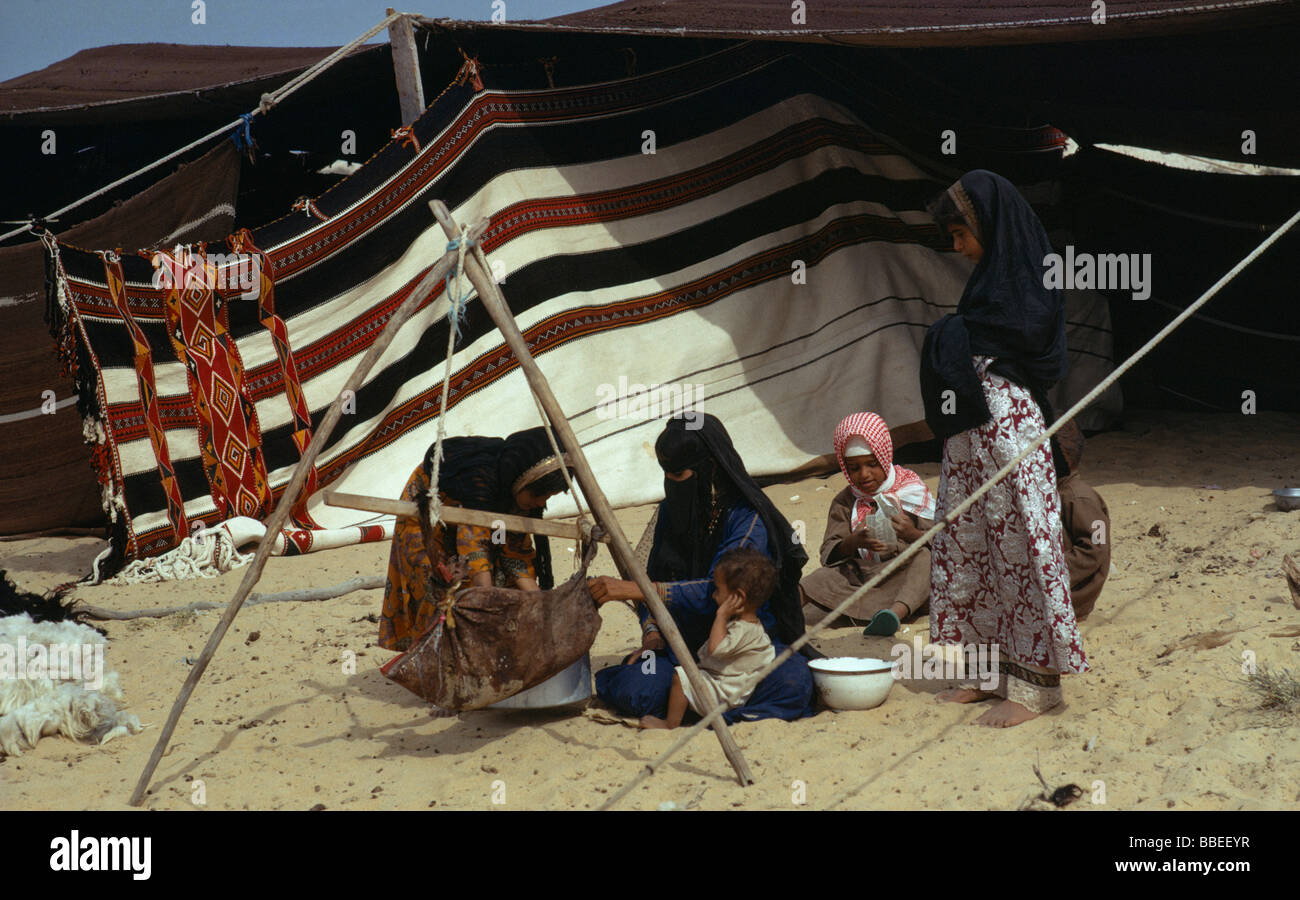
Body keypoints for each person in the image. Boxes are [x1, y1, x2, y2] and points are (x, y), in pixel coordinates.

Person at [920, 170, 1088, 727]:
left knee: (1021, 550)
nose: (957, 247)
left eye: (961, 234)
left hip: (1009, 430)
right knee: (971, 546)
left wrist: (957, 334)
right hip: (973, 432)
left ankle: (1039, 688)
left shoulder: (1027, 287)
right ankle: (985, 672)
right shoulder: (986, 285)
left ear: (989, 225)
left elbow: (1031, 349)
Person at [588, 414, 814, 722]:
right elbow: (651, 578)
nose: (670, 482)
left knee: (793, 683)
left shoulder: (747, 519)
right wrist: (652, 632)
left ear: (711, 469)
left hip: (743, 651)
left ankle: (695, 710)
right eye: (665, 473)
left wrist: (639, 589)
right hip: (681, 649)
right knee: (637, 690)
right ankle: (703, 706)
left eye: (678, 473)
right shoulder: (671, 512)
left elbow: (715, 590)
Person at [378, 427, 573, 652]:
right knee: (441, 582)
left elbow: (514, 554)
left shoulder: (514, 495)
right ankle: (439, 655)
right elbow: (474, 550)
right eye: (538, 496)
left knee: (504, 583)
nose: (541, 503)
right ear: (522, 482)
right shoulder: (482, 484)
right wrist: (486, 608)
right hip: (427, 515)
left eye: (547, 498)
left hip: (468, 518)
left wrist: (542, 606)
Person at [801, 412, 936, 636]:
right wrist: (853, 542)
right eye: (854, 468)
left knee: (926, 559)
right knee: (816, 579)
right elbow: (828, 552)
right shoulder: (845, 501)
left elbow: (943, 542)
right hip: (862, 575)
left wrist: (912, 534)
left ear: (884, 457)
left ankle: (894, 614)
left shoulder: (910, 488)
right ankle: (779, 614)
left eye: (872, 464)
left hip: (904, 574)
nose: (864, 474)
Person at [641, 548, 777, 729]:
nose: (713, 595)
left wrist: (721, 615)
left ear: (738, 597)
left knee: (680, 677)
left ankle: (670, 724)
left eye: (718, 590)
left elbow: (716, 648)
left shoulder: (744, 630)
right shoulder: (749, 627)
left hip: (724, 695)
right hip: (726, 687)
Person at [1054, 420, 1110, 620]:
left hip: (1073, 596)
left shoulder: (1079, 498)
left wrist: (1049, 571)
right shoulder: (1056, 492)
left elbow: (1096, 548)